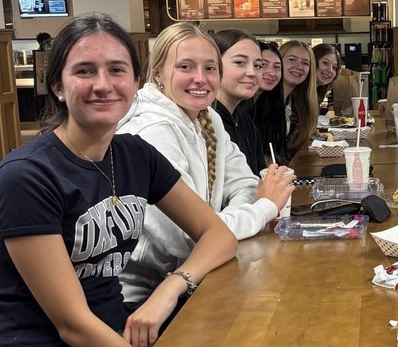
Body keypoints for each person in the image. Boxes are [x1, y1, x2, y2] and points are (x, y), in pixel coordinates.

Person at [0, 13, 237, 347]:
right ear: (56, 85)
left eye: (117, 70)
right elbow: (73, 325)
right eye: (84, 71)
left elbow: (218, 235)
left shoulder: (134, 153)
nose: (103, 84)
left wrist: (169, 290)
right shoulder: (26, 177)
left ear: (137, 81)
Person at [117, 23, 294, 309]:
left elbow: (245, 184)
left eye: (210, 68)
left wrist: (230, 218)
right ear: (158, 74)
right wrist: (264, 208)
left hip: (188, 281)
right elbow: (192, 240)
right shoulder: (152, 130)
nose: (200, 78)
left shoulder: (207, 117)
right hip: (141, 300)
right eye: (186, 67)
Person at [211, 29, 266, 175]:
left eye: (258, 65)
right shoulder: (204, 121)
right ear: (213, 65)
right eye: (240, 62)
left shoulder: (244, 119)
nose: (252, 72)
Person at [251, 40, 288, 164]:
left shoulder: (269, 106)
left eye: (277, 67)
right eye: (262, 65)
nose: (271, 73)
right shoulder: (238, 111)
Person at [279, 40, 317, 159]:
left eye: (305, 63)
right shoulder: (262, 102)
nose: (299, 66)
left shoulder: (297, 102)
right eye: (292, 59)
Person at [313, 43, 341, 110]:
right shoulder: (296, 93)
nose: (330, 70)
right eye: (325, 63)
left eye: (334, 67)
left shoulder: (318, 91)